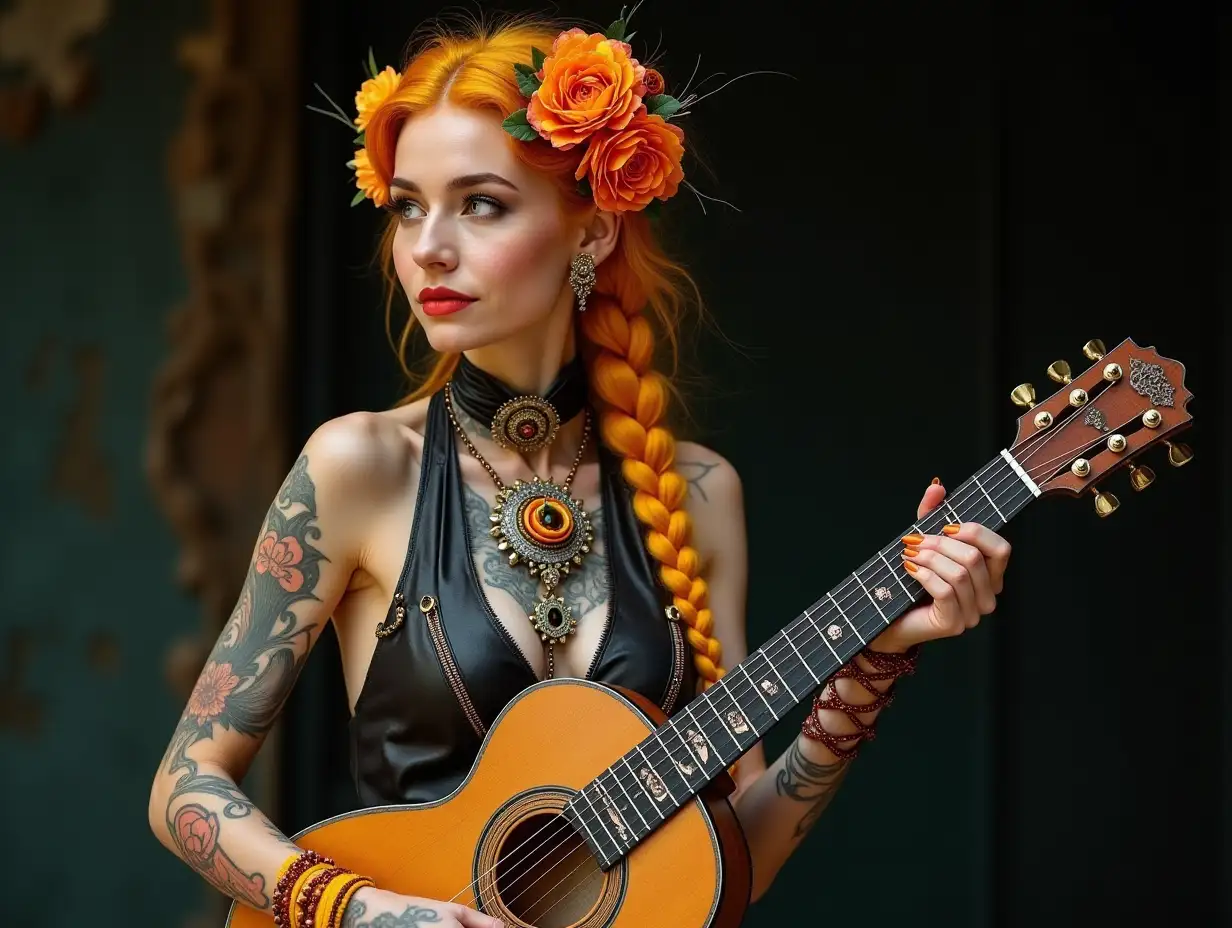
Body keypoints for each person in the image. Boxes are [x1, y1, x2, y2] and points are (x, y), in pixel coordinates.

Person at [148, 11, 1013, 928]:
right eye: (407, 205)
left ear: (592, 233)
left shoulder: (699, 493)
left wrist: (870, 667)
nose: (428, 246)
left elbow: (735, 862)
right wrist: (359, 912)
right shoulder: (356, 467)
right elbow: (183, 787)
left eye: (480, 203)